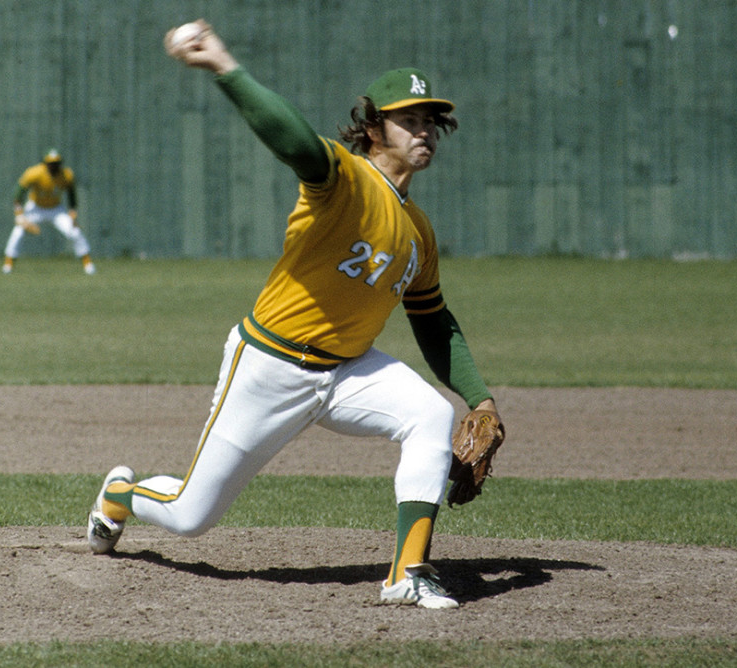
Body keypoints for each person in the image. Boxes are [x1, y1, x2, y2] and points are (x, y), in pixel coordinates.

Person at [87, 20, 502, 610]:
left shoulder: (420, 231)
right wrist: (224, 66)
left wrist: (480, 398)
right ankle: (119, 496)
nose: (424, 131)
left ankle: (407, 573)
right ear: (373, 128)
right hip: (270, 366)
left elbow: (433, 318)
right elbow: (297, 142)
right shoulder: (344, 180)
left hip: (349, 371)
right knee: (190, 516)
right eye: (408, 119)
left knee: (431, 415)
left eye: (429, 121)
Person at [3, 149, 96, 275]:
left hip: (56, 209)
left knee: (74, 231)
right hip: (35, 208)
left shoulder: (66, 175)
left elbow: (72, 196)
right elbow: (17, 194)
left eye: (56, 163)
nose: (53, 166)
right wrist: (19, 215)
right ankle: (8, 264)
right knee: (18, 231)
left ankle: (88, 264)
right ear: (45, 163)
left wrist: (73, 214)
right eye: (50, 163)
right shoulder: (34, 173)